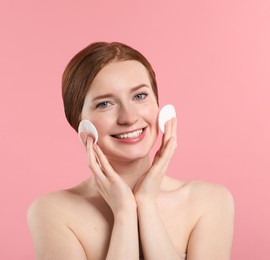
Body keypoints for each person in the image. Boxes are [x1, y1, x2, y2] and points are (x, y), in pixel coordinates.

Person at [27, 42, 234, 260]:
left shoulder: (209, 200)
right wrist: (124, 212)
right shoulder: (53, 212)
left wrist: (146, 205)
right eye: (105, 104)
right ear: (80, 124)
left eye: (139, 96)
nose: (129, 117)